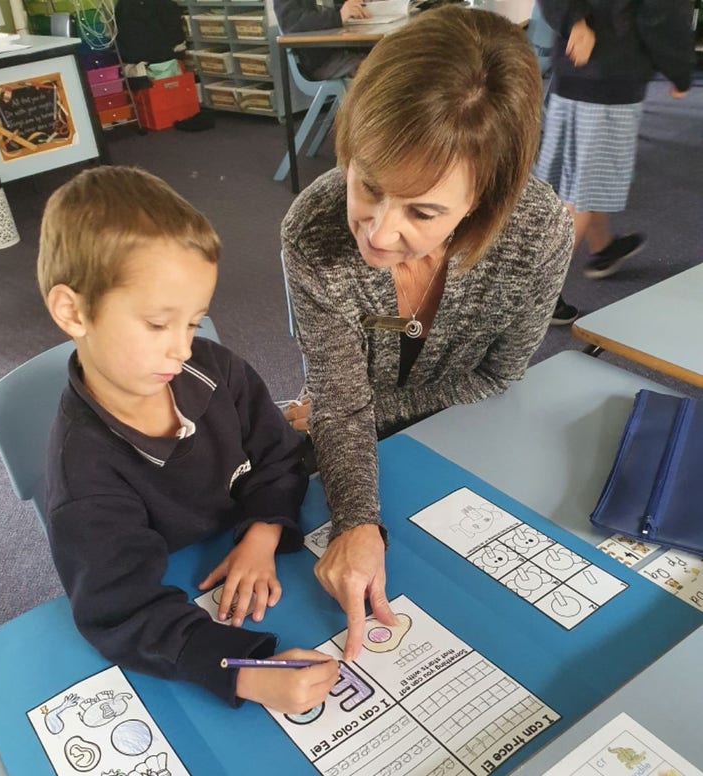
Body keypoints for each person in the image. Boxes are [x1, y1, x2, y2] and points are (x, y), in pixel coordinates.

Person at [281, 5, 574, 661]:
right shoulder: (316, 229)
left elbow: (499, 377)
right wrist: (356, 520)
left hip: (468, 436)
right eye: (369, 185)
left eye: (424, 211)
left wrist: (356, 411)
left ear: (484, 201)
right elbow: (339, 395)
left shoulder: (539, 232)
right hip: (349, 448)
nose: (380, 233)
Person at [36, 165, 338, 712]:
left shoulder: (214, 369)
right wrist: (245, 670)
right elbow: (122, 612)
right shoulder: (83, 474)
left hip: (257, 562)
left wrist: (264, 531)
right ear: (73, 311)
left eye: (194, 323)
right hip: (184, 607)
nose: (182, 349)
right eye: (157, 325)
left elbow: (278, 455)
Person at [535, 0, 694, 324]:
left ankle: (602, 245)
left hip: (571, 68)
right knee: (581, 192)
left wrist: (576, 22)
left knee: (583, 175)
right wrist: (680, 72)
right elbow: (662, 16)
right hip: (612, 77)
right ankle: (540, 297)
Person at [274, 0, 369, 80]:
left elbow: (322, 10)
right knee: (374, 68)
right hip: (320, 61)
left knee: (380, 54)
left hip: (338, 49)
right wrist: (339, 16)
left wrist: (351, 9)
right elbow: (291, 23)